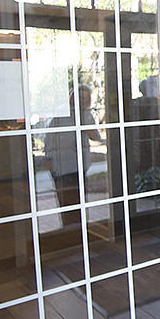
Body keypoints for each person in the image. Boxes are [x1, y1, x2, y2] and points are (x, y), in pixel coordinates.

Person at [43, 84, 101, 224]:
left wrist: (85, 124)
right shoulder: (61, 117)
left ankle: (80, 229)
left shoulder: (87, 115)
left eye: (85, 98)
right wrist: (49, 160)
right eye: (79, 97)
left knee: (80, 199)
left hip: (80, 165)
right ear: (72, 98)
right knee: (65, 200)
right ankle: (68, 229)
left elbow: (96, 137)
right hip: (62, 166)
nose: (82, 100)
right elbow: (49, 140)